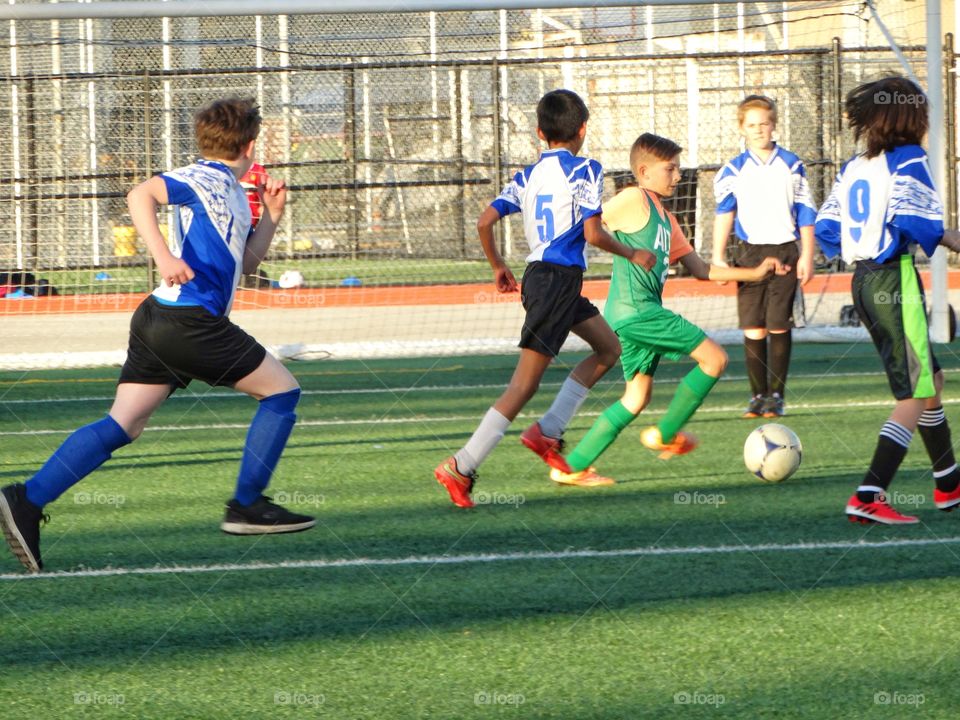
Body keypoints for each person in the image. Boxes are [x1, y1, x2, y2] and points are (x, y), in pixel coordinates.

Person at [0, 97, 315, 573]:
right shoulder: (205, 176)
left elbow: (244, 266)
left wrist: (271, 214)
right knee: (282, 393)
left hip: (160, 319)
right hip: (189, 323)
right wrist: (164, 258)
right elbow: (139, 195)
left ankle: (25, 499)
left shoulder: (233, 189)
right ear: (252, 144)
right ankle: (246, 506)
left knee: (123, 426)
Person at [433, 89, 656, 508]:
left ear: (540, 133)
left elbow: (485, 221)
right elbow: (592, 234)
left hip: (549, 279)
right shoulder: (587, 169)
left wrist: (498, 266)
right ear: (583, 129)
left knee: (609, 349)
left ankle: (547, 431)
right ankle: (460, 466)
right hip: (555, 280)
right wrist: (632, 252)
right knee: (523, 385)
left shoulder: (528, 175)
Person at [550, 133, 786, 486]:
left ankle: (570, 468)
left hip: (629, 317)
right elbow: (589, 227)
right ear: (644, 171)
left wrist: (754, 272)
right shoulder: (633, 198)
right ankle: (666, 433)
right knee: (715, 359)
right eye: (670, 169)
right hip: (638, 313)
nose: (677, 176)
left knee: (636, 397)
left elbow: (702, 270)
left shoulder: (667, 219)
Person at [815, 76, 960, 525]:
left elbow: (827, 228)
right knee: (915, 389)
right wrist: (950, 239)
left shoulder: (855, 165)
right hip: (894, 280)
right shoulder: (909, 159)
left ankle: (949, 484)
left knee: (928, 380)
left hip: (862, 280)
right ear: (908, 118)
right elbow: (918, 220)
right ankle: (869, 492)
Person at [712, 95, 817, 418]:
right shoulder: (732, 169)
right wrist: (717, 257)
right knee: (753, 327)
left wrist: (808, 255)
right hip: (748, 254)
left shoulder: (792, 164)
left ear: (774, 125)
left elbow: (806, 213)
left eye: (765, 124)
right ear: (742, 128)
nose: (759, 130)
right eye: (752, 125)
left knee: (778, 326)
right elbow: (724, 213)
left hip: (784, 249)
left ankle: (777, 397)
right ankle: (757, 397)